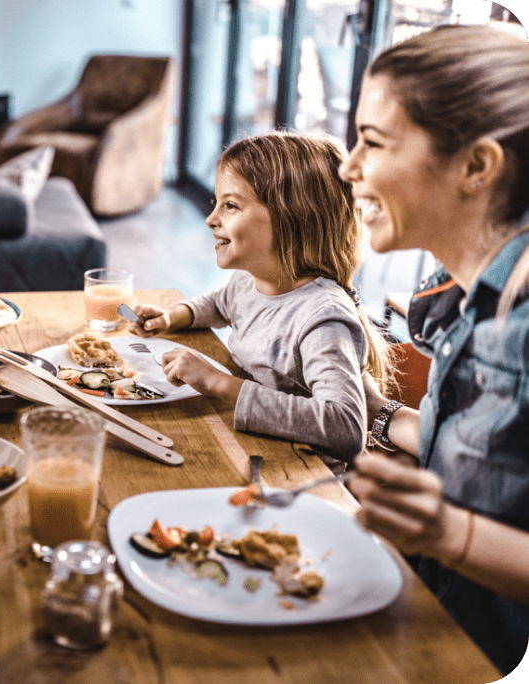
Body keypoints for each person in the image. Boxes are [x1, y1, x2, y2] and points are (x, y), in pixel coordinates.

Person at [337, 25, 529, 675]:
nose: (346, 166)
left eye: (371, 141)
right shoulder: (463, 299)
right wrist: (383, 417)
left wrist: (448, 534)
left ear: (475, 166)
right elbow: (496, 465)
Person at [129, 131, 393, 461]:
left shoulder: (322, 317)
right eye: (216, 204)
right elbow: (217, 304)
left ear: (293, 218)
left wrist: (219, 383)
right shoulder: (248, 282)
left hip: (299, 473)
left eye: (230, 206)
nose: (212, 219)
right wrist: (172, 316)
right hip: (250, 447)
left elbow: (345, 428)